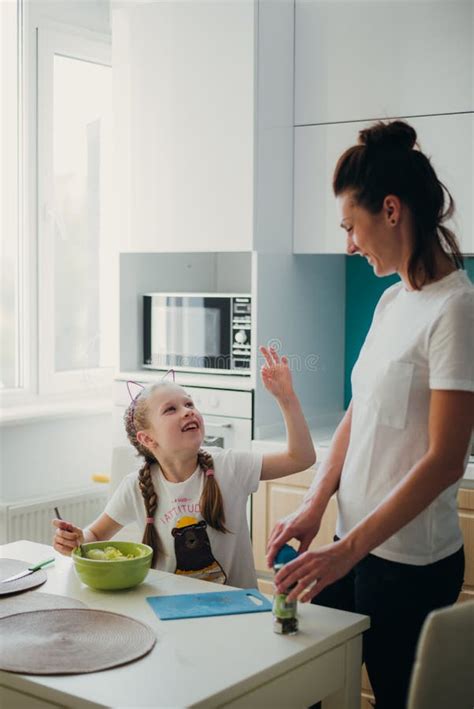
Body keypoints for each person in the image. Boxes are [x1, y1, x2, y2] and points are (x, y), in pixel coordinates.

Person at [267, 120, 474, 709]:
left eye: (351, 227)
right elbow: (359, 411)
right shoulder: (393, 300)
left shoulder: (455, 310)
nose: (349, 244)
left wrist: (348, 549)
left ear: (390, 210)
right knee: (317, 682)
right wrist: (314, 504)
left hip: (407, 564)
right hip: (349, 543)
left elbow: (444, 462)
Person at [53, 345, 316, 589]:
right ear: (148, 438)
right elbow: (96, 534)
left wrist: (286, 398)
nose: (188, 411)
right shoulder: (135, 487)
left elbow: (301, 457)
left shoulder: (230, 466)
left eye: (189, 404)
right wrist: (77, 540)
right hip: (171, 610)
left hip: (236, 611)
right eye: (171, 409)